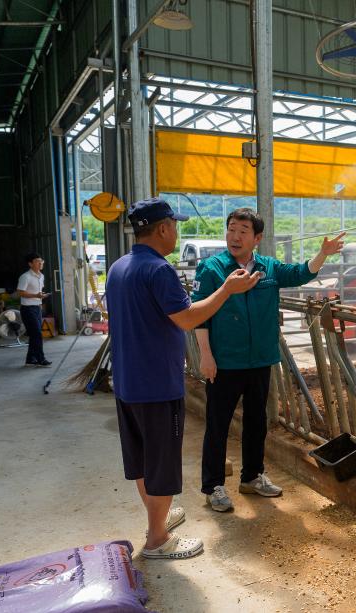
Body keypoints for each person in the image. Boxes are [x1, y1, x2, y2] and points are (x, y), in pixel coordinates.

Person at [106, 197, 258, 560]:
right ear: (162, 229)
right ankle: (158, 539)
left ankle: (157, 518)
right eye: (174, 225)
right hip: (156, 384)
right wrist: (227, 290)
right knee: (160, 463)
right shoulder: (160, 271)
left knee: (142, 460)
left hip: (127, 381)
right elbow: (188, 319)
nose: (176, 231)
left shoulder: (119, 267)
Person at [192, 207, 344, 512]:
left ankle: (252, 476)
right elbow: (201, 315)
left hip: (259, 360)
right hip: (224, 361)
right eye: (231, 229)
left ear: (256, 238)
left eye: (243, 231)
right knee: (218, 424)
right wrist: (205, 356)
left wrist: (323, 253)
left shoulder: (269, 268)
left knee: (257, 421)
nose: (235, 236)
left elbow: (302, 273)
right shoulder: (211, 269)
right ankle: (213, 486)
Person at [16, 252, 51, 367]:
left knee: (34, 335)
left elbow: (38, 292)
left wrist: (40, 298)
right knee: (37, 334)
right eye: (37, 261)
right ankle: (41, 359)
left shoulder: (41, 276)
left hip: (37, 308)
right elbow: (20, 292)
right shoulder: (25, 277)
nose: (40, 263)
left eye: (41, 261)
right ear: (30, 264)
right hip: (27, 309)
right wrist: (36, 296)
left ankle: (30, 359)